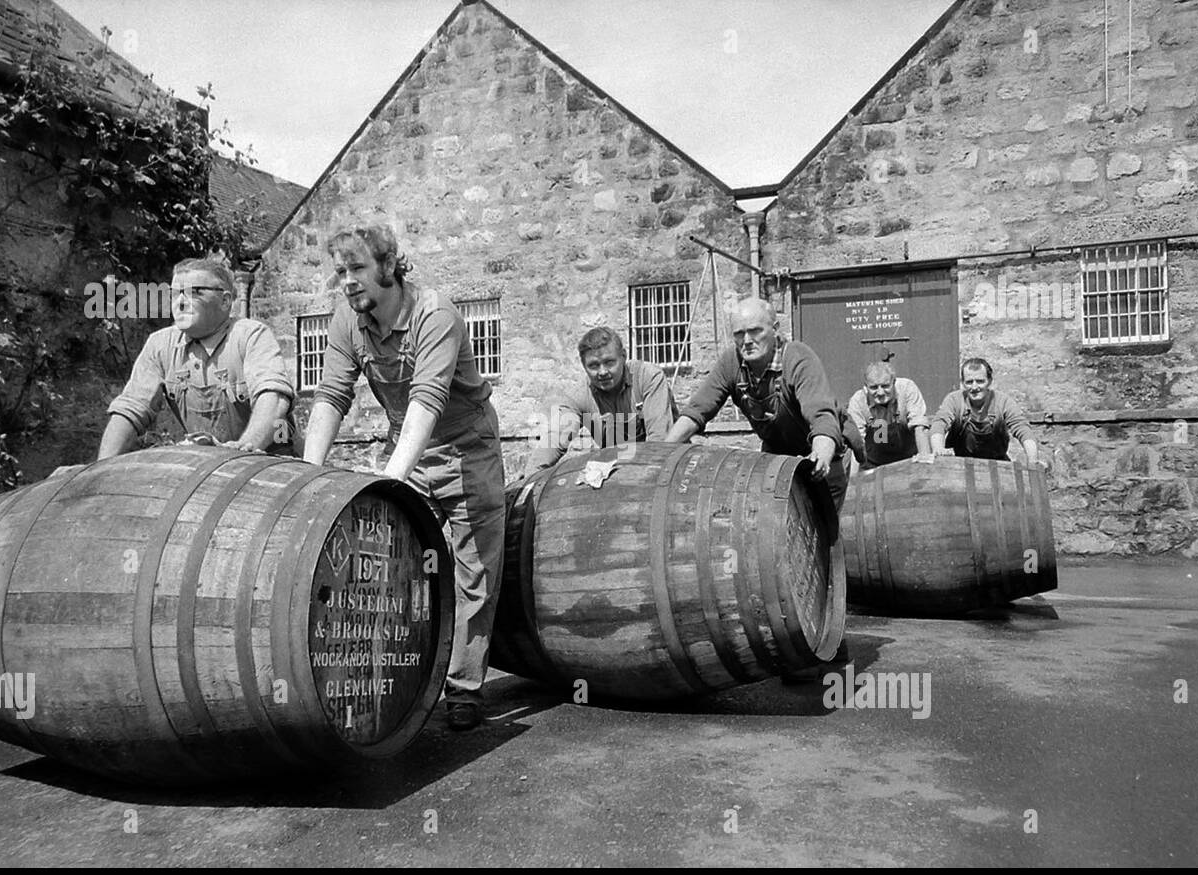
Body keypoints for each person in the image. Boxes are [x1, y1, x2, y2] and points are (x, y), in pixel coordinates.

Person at [302, 223, 504, 732]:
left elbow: (427, 400)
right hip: (408, 445)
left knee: (473, 573)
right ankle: (401, 680)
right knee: (395, 562)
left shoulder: (434, 315)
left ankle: (463, 687)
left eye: (358, 270)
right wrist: (306, 477)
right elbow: (331, 396)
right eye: (340, 271)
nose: (347, 282)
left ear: (389, 267)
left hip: (465, 450)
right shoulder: (348, 321)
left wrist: (389, 484)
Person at [665, 296, 850, 511]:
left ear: (775, 329)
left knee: (830, 534)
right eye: (739, 334)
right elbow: (697, 411)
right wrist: (663, 454)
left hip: (824, 458)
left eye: (755, 331)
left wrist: (821, 455)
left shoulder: (798, 358)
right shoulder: (731, 363)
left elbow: (822, 415)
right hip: (780, 460)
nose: (747, 340)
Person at [100, 258, 297, 458]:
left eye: (196, 292)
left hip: (273, 463)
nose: (181, 302)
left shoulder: (250, 336)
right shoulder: (159, 345)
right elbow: (130, 410)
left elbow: (273, 400)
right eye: (175, 294)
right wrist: (100, 471)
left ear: (225, 301)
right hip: (211, 466)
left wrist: (245, 448)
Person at [524, 326, 678, 474]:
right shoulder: (579, 396)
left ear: (623, 356)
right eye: (594, 365)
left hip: (667, 468)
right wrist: (530, 479)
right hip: (618, 471)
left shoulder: (647, 377)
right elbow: (554, 439)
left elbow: (660, 443)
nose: (602, 372)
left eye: (609, 362)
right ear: (583, 366)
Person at [929, 357, 1041, 465]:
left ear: (989, 381)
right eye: (969, 382)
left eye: (980, 381)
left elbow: (1022, 428)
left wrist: (1032, 460)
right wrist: (938, 449)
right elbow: (940, 423)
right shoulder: (954, 400)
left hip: (996, 465)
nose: (974, 387)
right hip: (959, 465)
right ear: (962, 383)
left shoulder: (1003, 402)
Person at [846, 360, 931, 471]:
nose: (880, 393)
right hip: (874, 463)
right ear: (865, 387)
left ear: (894, 382)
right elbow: (856, 443)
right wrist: (853, 482)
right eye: (874, 387)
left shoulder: (907, 389)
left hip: (909, 459)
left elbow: (920, 426)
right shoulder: (858, 402)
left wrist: (925, 465)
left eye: (885, 386)